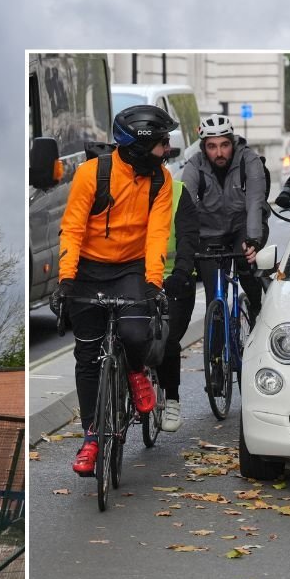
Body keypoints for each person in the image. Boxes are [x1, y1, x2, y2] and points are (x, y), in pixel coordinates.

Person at [49, 104, 176, 476]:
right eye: (161, 142)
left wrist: (154, 282)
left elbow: (157, 235)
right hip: (87, 269)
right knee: (87, 356)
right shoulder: (92, 174)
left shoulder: (161, 180)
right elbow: (71, 228)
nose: (166, 149)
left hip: (130, 268)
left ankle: (136, 371)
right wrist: (66, 280)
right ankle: (91, 438)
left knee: (135, 332)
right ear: (139, 146)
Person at [181, 114, 265, 323]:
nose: (219, 153)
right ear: (203, 147)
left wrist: (253, 240)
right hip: (209, 232)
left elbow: (255, 202)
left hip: (243, 226)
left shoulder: (249, 160)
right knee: (214, 295)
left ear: (233, 143)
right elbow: (185, 208)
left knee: (246, 266)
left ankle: (256, 307)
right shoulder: (194, 167)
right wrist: (186, 245)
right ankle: (216, 354)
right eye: (212, 146)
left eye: (224, 145)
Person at [155, 182, 201, 432]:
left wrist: (181, 272)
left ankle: (171, 399)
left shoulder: (177, 191)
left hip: (175, 278)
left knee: (167, 338)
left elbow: (187, 237)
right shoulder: (125, 188)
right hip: (138, 278)